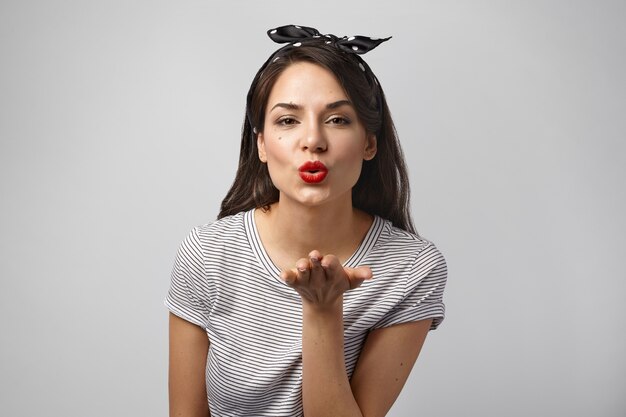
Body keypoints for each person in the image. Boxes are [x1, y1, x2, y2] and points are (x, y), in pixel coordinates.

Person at [165, 25, 447, 417]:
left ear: (369, 143)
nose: (313, 139)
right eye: (287, 121)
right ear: (261, 143)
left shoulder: (412, 267)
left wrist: (323, 310)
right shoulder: (208, 253)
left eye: (337, 119)